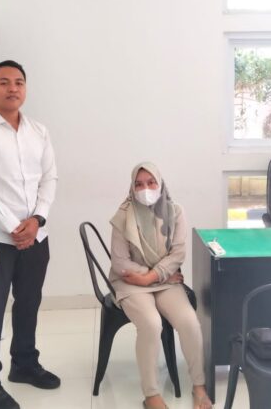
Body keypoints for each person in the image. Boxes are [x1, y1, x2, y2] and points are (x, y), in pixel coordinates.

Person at [0, 60, 59, 409]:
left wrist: (37, 219)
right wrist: (13, 225)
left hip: (36, 235)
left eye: (19, 82)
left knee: (29, 302)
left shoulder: (39, 130)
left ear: (25, 88)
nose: (12, 88)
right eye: (4, 82)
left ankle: (24, 364)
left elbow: (49, 177)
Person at [109, 162, 213, 409]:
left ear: (160, 183)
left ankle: (199, 386)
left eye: (151, 182)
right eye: (139, 184)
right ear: (132, 187)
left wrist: (152, 277)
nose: (145, 189)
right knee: (151, 324)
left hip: (163, 281)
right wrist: (153, 276)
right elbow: (120, 262)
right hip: (131, 282)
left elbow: (178, 254)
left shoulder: (175, 211)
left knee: (189, 322)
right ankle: (151, 394)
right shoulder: (123, 215)